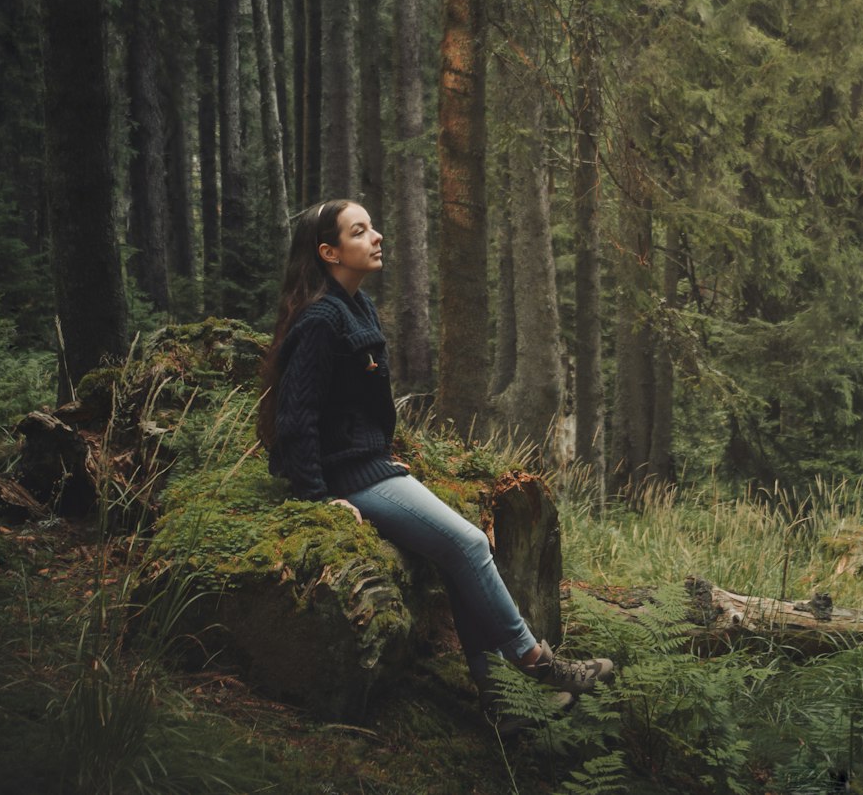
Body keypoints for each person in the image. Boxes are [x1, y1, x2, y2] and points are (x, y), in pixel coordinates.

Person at [258, 198, 613, 730]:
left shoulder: (358, 307)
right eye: (360, 231)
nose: (376, 236)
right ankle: (536, 662)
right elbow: (295, 417)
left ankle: (500, 703)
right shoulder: (321, 320)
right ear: (328, 251)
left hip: (371, 465)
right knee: (469, 543)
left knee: (464, 548)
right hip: (348, 478)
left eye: (373, 226)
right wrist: (316, 497)